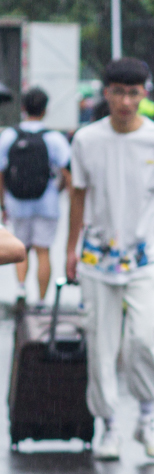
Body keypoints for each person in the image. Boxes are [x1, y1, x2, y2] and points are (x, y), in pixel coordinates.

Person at [66, 57, 154, 462]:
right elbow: (78, 197)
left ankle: (146, 417)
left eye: (133, 93)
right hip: (95, 259)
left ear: (144, 95)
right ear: (105, 93)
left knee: (143, 338)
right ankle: (108, 425)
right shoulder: (86, 140)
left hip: (142, 261)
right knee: (101, 346)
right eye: (118, 92)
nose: (125, 101)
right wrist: (70, 249)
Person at [0, 87, 71, 309]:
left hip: (17, 202)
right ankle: (41, 301)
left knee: (19, 249)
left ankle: (21, 288)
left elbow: (0, 172)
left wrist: (3, 202)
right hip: (46, 202)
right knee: (43, 251)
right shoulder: (54, 138)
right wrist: (62, 192)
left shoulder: (9, 135)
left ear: (23, 108)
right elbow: (68, 172)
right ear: (45, 110)